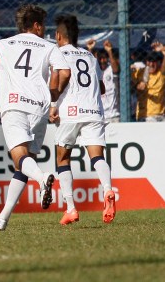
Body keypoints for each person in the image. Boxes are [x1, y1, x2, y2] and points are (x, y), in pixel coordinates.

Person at [0, 4, 71, 231]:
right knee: (23, 164)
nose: (45, 29)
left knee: (20, 159)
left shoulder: (4, 44)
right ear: (37, 26)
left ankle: (42, 178)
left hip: (13, 105)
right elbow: (65, 72)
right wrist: (55, 94)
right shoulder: (49, 46)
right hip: (39, 107)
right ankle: (2, 219)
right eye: (44, 25)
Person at [50, 14, 116, 225]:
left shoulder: (58, 54)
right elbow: (101, 88)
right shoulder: (90, 57)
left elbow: (58, 80)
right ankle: (108, 190)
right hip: (94, 110)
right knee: (97, 156)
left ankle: (71, 208)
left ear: (58, 35)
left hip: (69, 111)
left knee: (62, 158)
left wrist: (52, 103)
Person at [135, 47, 165, 122]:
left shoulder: (161, 73)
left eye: (154, 61)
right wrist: (138, 86)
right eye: (149, 61)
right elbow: (131, 84)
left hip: (160, 115)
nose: (151, 64)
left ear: (158, 62)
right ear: (145, 61)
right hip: (145, 115)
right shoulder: (140, 72)